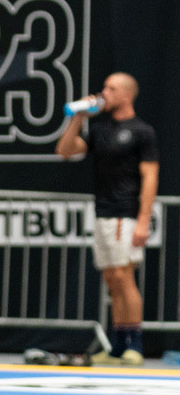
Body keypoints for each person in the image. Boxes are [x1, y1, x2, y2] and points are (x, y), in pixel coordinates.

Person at [56, 72, 158, 366]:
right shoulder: (100, 129)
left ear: (127, 94)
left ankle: (134, 345)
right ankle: (117, 347)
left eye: (111, 89)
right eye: (105, 88)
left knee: (125, 277)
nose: (104, 93)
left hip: (125, 213)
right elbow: (65, 151)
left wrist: (143, 219)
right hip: (102, 211)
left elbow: (150, 176)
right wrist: (79, 117)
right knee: (112, 279)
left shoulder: (142, 131)